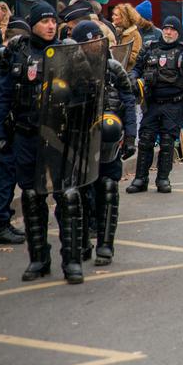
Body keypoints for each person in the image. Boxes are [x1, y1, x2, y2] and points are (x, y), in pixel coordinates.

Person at [0, 2, 98, 283]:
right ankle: (39, 259)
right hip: (26, 135)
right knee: (31, 196)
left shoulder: (69, 53)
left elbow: (88, 93)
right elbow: (3, 95)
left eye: (54, 20)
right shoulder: (18, 52)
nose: (51, 25)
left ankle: (72, 261)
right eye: (45, 20)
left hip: (59, 136)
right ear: (33, 23)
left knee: (67, 196)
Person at [69, 21, 137, 266]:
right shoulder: (71, 70)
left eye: (98, 38)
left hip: (109, 141)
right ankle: (84, 241)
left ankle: (106, 246)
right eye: (90, 40)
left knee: (108, 188)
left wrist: (130, 135)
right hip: (81, 142)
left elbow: (129, 101)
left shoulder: (114, 69)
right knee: (82, 193)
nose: (96, 43)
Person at [127, 16, 183, 194]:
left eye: (172, 29)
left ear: (178, 32)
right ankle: (140, 178)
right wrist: (133, 79)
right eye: (165, 28)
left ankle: (163, 179)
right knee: (146, 141)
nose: (168, 32)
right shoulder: (150, 48)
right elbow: (136, 68)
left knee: (167, 142)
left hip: (174, 105)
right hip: (152, 103)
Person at [0, 18, 30, 245]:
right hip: (6, 124)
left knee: (11, 175)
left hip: (15, 125)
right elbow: (1, 92)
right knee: (5, 175)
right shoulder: (0, 59)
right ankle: (0, 224)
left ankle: (4, 221)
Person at [111, 3, 144, 69]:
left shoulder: (135, 35)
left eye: (116, 15)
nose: (112, 17)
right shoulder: (113, 31)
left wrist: (117, 53)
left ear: (124, 17)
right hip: (115, 72)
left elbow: (135, 57)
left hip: (127, 73)